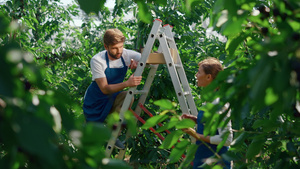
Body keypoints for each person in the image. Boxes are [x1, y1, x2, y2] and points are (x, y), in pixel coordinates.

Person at [83, 28, 142, 149]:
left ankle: (112, 134)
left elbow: (147, 59)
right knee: (90, 143)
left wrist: (138, 64)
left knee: (128, 97)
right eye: (115, 48)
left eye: (121, 46)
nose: (119, 51)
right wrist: (127, 83)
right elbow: (104, 88)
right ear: (106, 46)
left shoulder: (125, 54)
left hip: (113, 97)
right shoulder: (97, 60)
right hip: (96, 101)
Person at [181, 57, 233, 169]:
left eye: (199, 72)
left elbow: (227, 139)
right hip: (203, 158)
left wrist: (196, 135)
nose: (196, 75)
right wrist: (195, 119)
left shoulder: (220, 104)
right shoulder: (209, 100)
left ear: (209, 77)